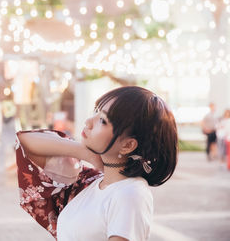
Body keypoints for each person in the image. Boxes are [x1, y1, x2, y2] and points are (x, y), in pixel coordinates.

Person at [15, 86, 178, 241]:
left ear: (128, 145)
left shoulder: (130, 193)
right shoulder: (89, 181)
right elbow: (25, 142)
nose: (88, 121)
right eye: (96, 111)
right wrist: (85, 153)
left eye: (103, 121)